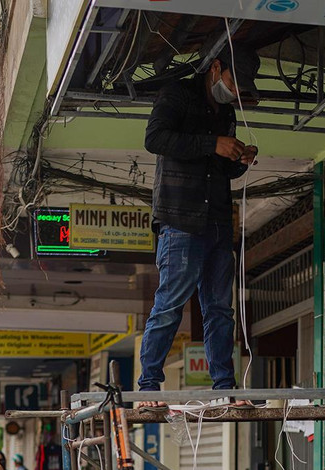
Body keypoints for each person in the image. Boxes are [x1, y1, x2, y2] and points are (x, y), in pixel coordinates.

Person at [135, 43, 260, 406]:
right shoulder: (176, 94)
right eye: (235, 82)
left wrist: (239, 159)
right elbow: (154, 139)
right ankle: (147, 389)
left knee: (220, 309)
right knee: (170, 304)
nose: (236, 92)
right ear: (216, 68)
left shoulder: (226, 113)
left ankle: (226, 389)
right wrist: (213, 144)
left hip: (218, 221)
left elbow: (222, 167)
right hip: (179, 219)